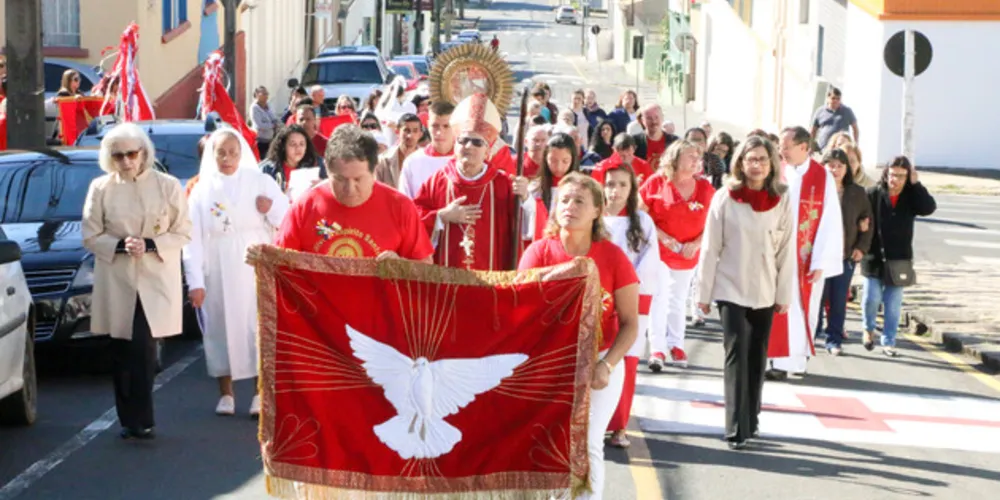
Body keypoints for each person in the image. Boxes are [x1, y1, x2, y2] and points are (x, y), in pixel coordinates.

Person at [518, 173, 638, 500]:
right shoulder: (538, 253)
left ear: (598, 211)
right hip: (548, 363)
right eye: (565, 200)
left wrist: (607, 365)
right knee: (547, 443)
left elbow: (630, 323)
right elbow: (519, 314)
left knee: (586, 443)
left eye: (579, 201)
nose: (569, 207)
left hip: (599, 362)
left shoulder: (613, 258)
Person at [81, 123, 192, 440]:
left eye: (132, 153)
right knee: (119, 347)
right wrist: (120, 245)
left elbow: (183, 230)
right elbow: (90, 234)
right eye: (119, 156)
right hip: (117, 276)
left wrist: (150, 244)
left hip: (155, 274)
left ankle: (143, 417)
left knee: (143, 346)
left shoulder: (168, 185)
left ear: (144, 153)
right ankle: (128, 417)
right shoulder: (101, 188)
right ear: (109, 157)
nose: (127, 161)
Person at [697, 135, 794, 450]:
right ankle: (735, 426)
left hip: (764, 287)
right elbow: (711, 247)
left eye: (763, 160)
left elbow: (786, 250)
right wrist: (703, 292)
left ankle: (751, 419)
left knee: (757, 354)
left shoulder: (782, 199)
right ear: (740, 162)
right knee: (736, 351)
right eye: (751, 159)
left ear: (771, 164)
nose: (757, 165)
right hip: (729, 284)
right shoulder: (725, 197)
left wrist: (784, 295)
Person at [184, 128, 288, 416]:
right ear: (211, 155)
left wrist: (270, 209)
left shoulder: (260, 181)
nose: (227, 158)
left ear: (241, 153)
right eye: (221, 152)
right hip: (217, 265)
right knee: (219, 326)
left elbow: (287, 219)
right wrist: (195, 281)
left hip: (255, 262)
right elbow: (191, 238)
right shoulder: (201, 190)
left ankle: (259, 394)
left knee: (258, 326)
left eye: (232, 152)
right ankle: (226, 393)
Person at [276, 125, 434, 262]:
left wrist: (401, 266)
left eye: (358, 179)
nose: (350, 189)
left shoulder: (401, 206)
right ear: (327, 169)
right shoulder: (304, 207)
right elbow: (278, 264)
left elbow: (424, 266)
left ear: (374, 170)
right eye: (340, 179)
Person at [413, 93, 529, 270]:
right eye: (463, 140)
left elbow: (528, 231)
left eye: (477, 142)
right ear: (455, 145)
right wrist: (441, 217)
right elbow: (413, 220)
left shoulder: (504, 184)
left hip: (491, 281)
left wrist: (525, 199)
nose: (468, 146)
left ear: (487, 151)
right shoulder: (437, 181)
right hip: (446, 283)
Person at [767, 126, 844, 379]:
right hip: (777, 251)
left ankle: (794, 361)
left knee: (802, 309)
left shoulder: (821, 177)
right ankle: (775, 359)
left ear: (803, 147)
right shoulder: (778, 172)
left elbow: (830, 221)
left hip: (807, 256)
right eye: (780, 146)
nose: (781, 151)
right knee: (776, 305)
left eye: (786, 147)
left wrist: (822, 258)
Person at [639, 140, 714, 370]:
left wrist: (698, 242)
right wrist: (662, 236)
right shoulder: (656, 183)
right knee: (659, 297)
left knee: (678, 298)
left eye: (697, 157)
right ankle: (657, 348)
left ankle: (676, 343)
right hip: (659, 251)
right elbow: (641, 214)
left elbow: (714, 221)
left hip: (688, 252)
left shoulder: (704, 188)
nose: (695, 160)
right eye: (690, 155)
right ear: (675, 158)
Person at [602, 164, 662, 449]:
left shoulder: (642, 222)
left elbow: (649, 265)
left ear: (631, 189)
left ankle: (619, 426)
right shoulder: (593, 219)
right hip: (597, 301)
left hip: (630, 300)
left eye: (622, 185)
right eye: (610, 184)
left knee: (625, 362)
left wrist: (629, 293)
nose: (615, 190)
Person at [861, 156, 936, 357]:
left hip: (900, 260)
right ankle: (868, 330)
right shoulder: (873, 193)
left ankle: (889, 341)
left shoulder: (911, 197)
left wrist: (916, 183)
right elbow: (861, 216)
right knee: (871, 298)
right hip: (873, 257)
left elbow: (929, 208)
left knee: (893, 305)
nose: (896, 180)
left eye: (902, 176)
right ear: (886, 174)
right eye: (893, 175)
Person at [818, 149, 873, 356]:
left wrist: (861, 248)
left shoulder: (856, 192)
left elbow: (868, 221)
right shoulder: (816, 189)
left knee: (839, 299)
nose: (835, 169)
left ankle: (834, 339)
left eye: (840, 166)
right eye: (831, 165)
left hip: (845, 255)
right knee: (817, 298)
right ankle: (812, 335)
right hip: (819, 255)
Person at [525, 133, 582, 241]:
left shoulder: (582, 188)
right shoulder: (535, 188)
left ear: (573, 160)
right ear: (545, 159)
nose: (559, 167)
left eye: (565, 161)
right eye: (553, 161)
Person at [398, 101, 456, 198]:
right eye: (435, 126)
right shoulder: (413, 162)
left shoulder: (465, 161)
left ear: (455, 126)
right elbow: (405, 203)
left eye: (446, 126)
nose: (439, 133)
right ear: (428, 125)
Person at [258, 124, 327, 197]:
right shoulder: (267, 169)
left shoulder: (318, 163)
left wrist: (322, 185)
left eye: (302, 144)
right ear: (283, 146)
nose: (298, 148)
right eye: (293, 144)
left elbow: (333, 184)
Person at [375, 113, 423, 188]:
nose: (410, 135)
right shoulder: (383, 161)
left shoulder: (426, 159)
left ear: (420, 134)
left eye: (415, 131)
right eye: (406, 130)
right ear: (397, 131)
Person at [250, 86, 282, 158]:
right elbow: (260, 125)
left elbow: (273, 116)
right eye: (264, 93)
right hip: (260, 140)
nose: (266, 96)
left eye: (267, 93)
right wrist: (273, 125)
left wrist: (276, 122)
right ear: (257, 94)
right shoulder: (254, 108)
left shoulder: (268, 105)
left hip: (271, 139)